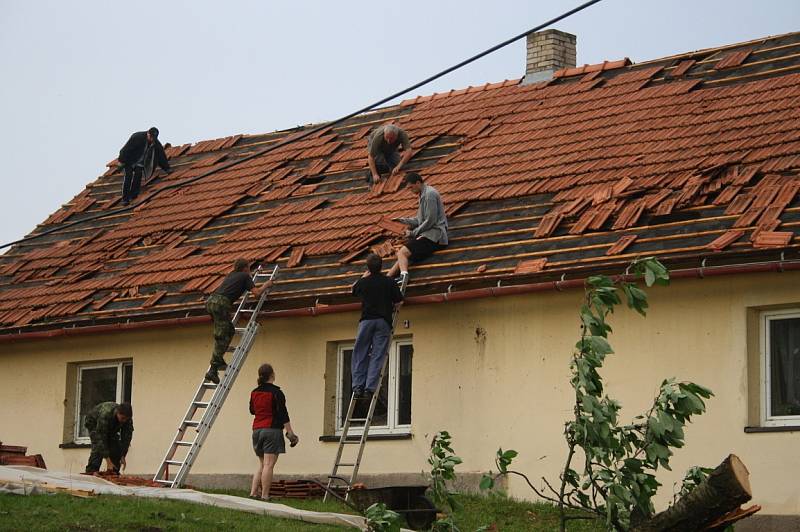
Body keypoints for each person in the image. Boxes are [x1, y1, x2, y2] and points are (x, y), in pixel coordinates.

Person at [204, 259, 273, 384]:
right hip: (221, 304)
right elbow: (256, 293)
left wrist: (256, 272)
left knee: (229, 331)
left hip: (211, 302)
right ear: (246, 268)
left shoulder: (233, 275)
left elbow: (245, 280)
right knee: (222, 336)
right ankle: (213, 370)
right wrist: (266, 285)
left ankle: (218, 363)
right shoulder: (245, 276)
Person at [351, 253, 404, 400]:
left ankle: (357, 387)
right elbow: (399, 302)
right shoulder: (389, 282)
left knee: (360, 353)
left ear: (368, 267)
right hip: (383, 322)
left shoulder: (364, 282)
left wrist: (363, 277)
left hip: (366, 322)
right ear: (381, 266)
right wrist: (392, 307)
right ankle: (369, 389)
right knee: (377, 355)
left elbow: (353, 290)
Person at [249, 363, 298, 501]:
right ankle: (265, 495)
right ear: (272, 375)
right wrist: (290, 433)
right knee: (268, 465)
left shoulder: (254, 392)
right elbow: (283, 414)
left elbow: (252, 410)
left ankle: (253, 492)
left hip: (257, 430)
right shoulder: (276, 392)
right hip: (272, 430)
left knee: (262, 464)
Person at [387, 172, 448, 280]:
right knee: (403, 257)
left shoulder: (429, 194)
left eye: (411, 187)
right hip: (429, 235)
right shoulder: (423, 194)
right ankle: (387, 279)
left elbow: (431, 220)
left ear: (418, 183)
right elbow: (420, 220)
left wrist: (413, 233)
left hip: (434, 236)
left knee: (402, 252)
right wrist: (402, 220)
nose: (410, 191)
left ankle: (404, 277)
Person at [118, 127, 171, 205]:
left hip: (140, 162)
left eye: (154, 138)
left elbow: (160, 155)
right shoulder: (137, 137)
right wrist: (121, 161)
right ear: (148, 134)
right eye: (151, 137)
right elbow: (125, 150)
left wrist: (167, 168)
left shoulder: (155, 142)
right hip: (129, 160)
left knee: (138, 176)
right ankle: (125, 199)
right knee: (128, 177)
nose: (152, 139)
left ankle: (133, 195)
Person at [84, 402, 133, 474]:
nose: (124, 421)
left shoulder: (127, 419)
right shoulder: (105, 415)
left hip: (111, 426)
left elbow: (126, 438)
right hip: (93, 423)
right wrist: (108, 460)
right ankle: (92, 470)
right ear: (118, 413)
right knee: (98, 448)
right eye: (123, 418)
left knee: (115, 448)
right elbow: (101, 439)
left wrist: (122, 455)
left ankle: (114, 472)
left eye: (126, 419)